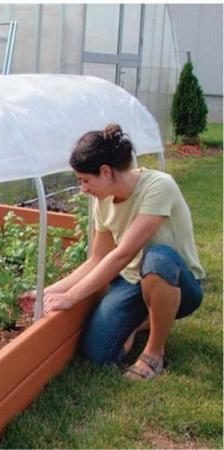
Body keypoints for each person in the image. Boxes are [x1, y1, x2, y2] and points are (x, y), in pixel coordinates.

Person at [22, 123, 205, 381]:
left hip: (177, 281)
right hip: (133, 282)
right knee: (98, 352)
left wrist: (73, 298)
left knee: (157, 259)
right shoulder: (104, 201)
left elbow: (124, 253)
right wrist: (48, 292)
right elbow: (97, 259)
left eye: (85, 180)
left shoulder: (158, 187)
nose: (83, 188)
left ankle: (154, 352)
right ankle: (146, 321)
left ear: (106, 171)